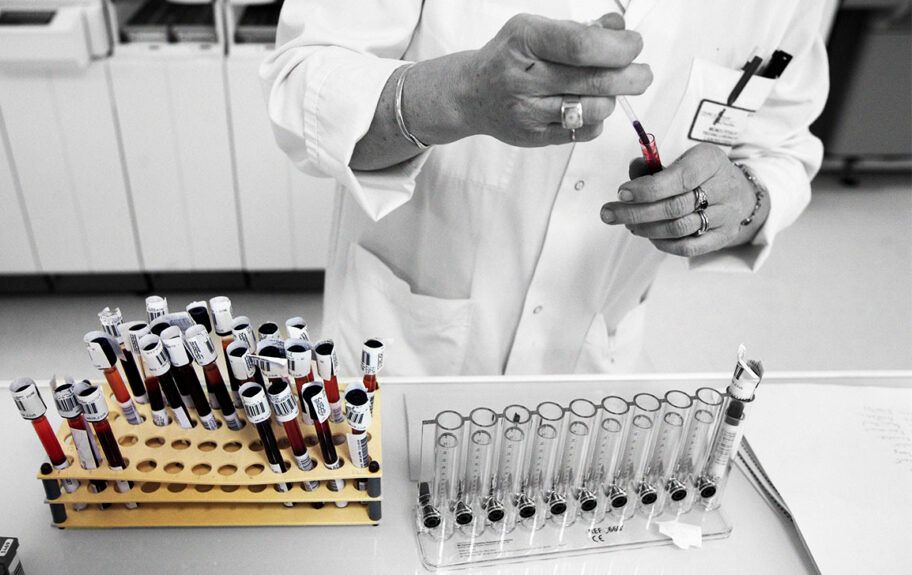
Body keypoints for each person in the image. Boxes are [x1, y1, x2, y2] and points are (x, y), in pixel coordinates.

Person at [261, 0, 828, 376]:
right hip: (406, 353)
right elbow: (301, 84)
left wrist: (747, 198)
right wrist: (459, 94)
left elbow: (782, 145)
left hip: (596, 357)